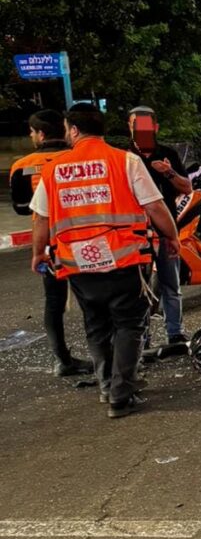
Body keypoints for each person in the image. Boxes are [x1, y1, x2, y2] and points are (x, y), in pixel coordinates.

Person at [29, 105, 181, 419]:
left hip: (77, 262)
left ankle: (107, 386)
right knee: (129, 324)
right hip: (124, 258)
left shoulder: (54, 170)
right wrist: (172, 236)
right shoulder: (125, 161)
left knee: (96, 325)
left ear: (73, 130)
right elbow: (155, 206)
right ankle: (121, 394)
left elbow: (41, 218)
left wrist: (38, 252)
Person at [10, 109, 91, 377]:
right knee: (92, 300)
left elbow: (22, 207)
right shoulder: (80, 159)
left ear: (41, 134)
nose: (30, 136)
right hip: (84, 237)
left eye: (32, 132)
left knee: (54, 302)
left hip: (48, 244)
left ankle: (63, 359)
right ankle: (105, 356)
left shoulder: (23, 165)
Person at [127, 106, 190, 348]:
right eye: (135, 125)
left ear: (155, 127)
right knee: (139, 290)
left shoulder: (167, 154)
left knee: (171, 285)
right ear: (129, 127)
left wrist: (169, 172)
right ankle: (142, 340)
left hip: (165, 231)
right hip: (136, 236)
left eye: (144, 125)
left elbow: (187, 188)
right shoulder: (124, 158)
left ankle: (175, 333)